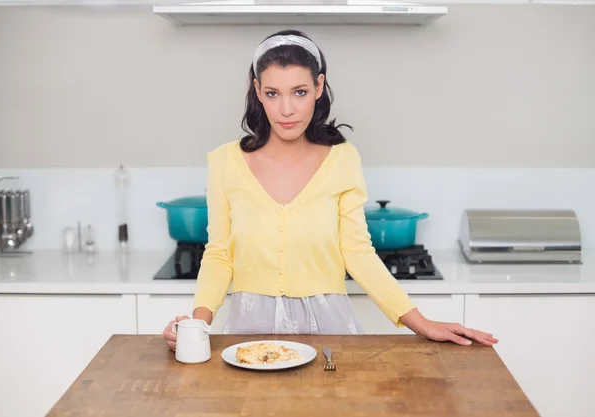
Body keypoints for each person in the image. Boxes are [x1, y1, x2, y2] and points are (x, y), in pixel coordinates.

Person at [163, 29, 498, 349]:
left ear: (319, 86)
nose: (287, 109)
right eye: (272, 93)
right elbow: (219, 254)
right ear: (257, 90)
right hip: (250, 328)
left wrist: (421, 323)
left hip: (329, 328)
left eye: (300, 91)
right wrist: (198, 325)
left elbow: (358, 253)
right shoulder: (225, 162)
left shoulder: (342, 158)